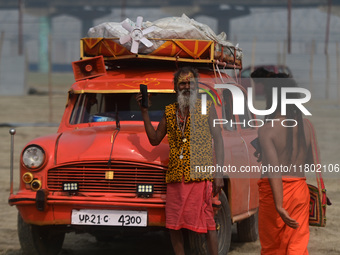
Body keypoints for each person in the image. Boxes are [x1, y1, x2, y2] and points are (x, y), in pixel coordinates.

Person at [136, 66, 224, 255]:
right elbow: (154, 140)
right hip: (176, 177)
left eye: (189, 83)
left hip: (200, 176)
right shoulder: (169, 112)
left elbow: (219, 139)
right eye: (182, 83)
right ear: (176, 88)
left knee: (208, 223)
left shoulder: (206, 108)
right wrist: (144, 112)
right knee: (174, 225)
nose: (186, 86)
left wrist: (218, 174)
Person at [251, 68, 312, 255]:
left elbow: (274, 171)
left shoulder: (267, 130)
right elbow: (309, 163)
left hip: (275, 194)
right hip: (300, 190)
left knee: (273, 248)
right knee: (297, 245)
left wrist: (279, 205)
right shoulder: (307, 127)